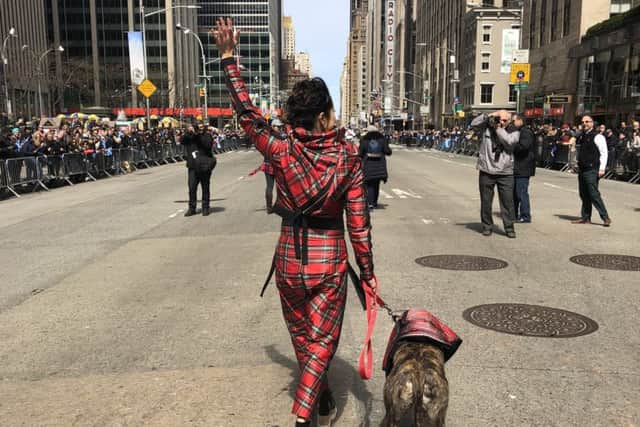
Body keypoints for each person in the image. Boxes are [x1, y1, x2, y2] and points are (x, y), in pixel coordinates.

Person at [213, 18, 377, 427]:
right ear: (324, 116)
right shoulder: (348, 159)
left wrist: (229, 57)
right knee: (323, 338)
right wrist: (369, 274)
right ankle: (305, 411)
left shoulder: (279, 148)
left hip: (288, 261)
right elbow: (358, 225)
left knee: (303, 336)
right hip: (329, 263)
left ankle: (318, 392)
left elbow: (247, 115)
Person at [471, 110, 520, 238]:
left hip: (505, 172)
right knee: (486, 201)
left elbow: (509, 142)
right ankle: (487, 226)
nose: (501, 122)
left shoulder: (514, 131)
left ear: (509, 121)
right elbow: (474, 124)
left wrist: (498, 129)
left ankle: (509, 227)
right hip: (487, 169)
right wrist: (490, 115)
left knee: (507, 202)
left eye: (504, 121)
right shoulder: (487, 127)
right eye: (499, 119)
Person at [572, 116, 611, 226]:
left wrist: (602, 168)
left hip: (592, 169)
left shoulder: (598, 136)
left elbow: (604, 153)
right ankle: (585, 217)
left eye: (587, 122)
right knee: (584, 194)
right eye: (583, 122)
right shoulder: (583, 135)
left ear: (592, 123)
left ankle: (605, 217)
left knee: (593, 194)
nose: (584, 123)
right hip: (583, 168)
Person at [183, 124, 216, 217]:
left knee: (205, 188)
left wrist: (198, 135)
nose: (199, 129)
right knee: (192, 188)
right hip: (193, 166)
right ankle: (192, 208)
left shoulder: (207, 136)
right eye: (198, 127)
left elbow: (207, 145)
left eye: (202, 127)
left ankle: (205, 207)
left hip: (204, 166)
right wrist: (188, 132)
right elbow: (182, 141)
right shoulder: (190, 137)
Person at [358, 125, 392, 209]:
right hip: (379, 165)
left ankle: (369, 202)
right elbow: (388, 151)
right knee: (376, 184)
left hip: (367, 165)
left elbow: (360, 153)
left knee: (368, 184)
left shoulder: (364, 139)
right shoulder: (382, 139)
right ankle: (374, 202)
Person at [512, 114, 536, 223]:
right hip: (517, 167)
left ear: (520, 120)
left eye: (514, 121)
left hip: (523, 166)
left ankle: (525, 215)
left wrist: (511, 145)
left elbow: (523, 147)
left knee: (521, 192)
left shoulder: (526, 132)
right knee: (514, 193)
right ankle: (513, 214)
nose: (512, 123)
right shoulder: (518, 132)